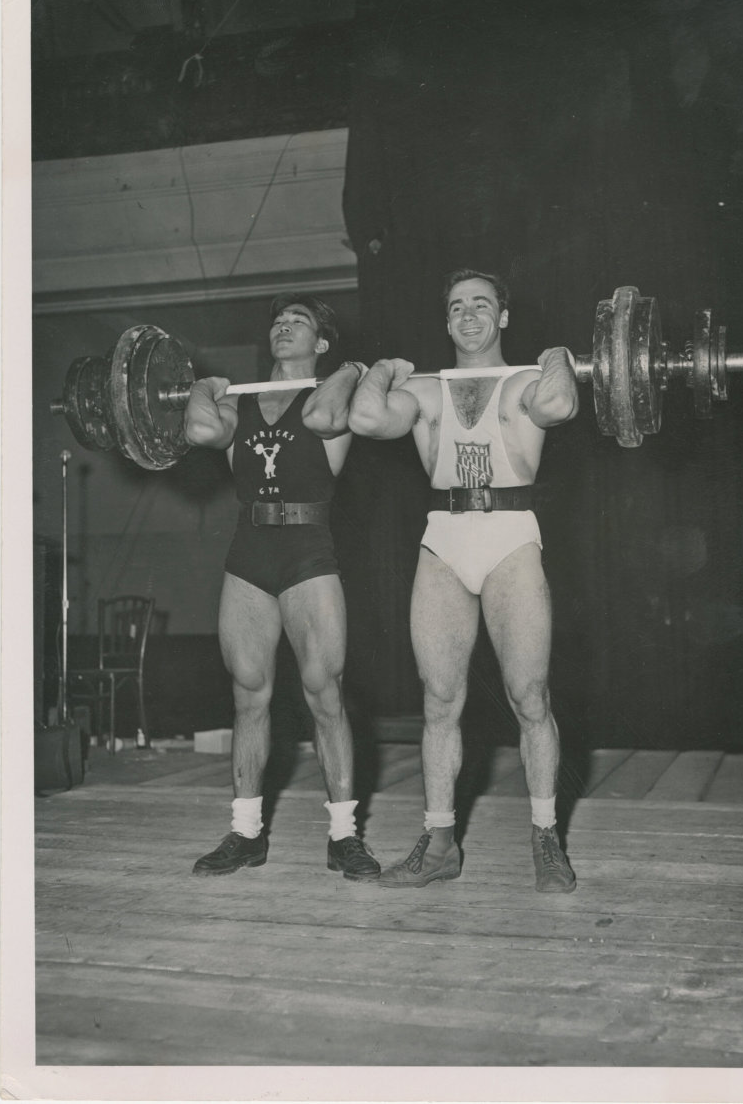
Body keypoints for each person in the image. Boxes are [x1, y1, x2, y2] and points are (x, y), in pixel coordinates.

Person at [347, 269, 580, 892]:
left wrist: (558, 357)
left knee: (529, 697)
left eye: (481, 305)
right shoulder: (425, 390)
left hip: (510, 535)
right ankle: (440, 842)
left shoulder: (527, 381)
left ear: (502, 316)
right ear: (446, 321)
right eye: (456, 307)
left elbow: (560, 405)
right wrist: (385, 369)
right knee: (439, 701)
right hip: (444, 539)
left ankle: (545, 838)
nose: (468, 316)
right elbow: (366, 418)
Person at [184, 293, 380, 882]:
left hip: (307, 551)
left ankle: (344, 837)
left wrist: (351, 368)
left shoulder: (331, 396)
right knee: (249, 693)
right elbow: (199, 427)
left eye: (299, 322)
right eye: (278, 321)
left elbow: (324, 420)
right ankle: (246, 834)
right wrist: (204, 384)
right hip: (249, 552)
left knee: (324, 693)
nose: (283, 327)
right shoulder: (237, 402)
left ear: (321, 342)